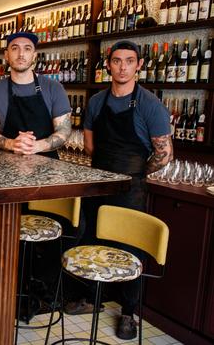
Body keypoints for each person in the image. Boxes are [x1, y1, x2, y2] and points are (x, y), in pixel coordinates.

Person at [68, 40, 173, 340]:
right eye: (117, 60)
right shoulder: (98, 102)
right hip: (98, 184)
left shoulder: (150, 105)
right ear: (108, 65)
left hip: (130, 189)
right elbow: (89, 145)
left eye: (129, 60)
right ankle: (89, 298)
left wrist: (136, 174)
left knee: (130, 249)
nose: (123, 66)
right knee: (88, 237)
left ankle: (128, 313)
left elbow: (165, 155)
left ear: (139, 65)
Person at [0, 32, 72, 158]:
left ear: (34, 56)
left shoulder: (55, 88)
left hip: (48, 168)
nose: (21, 54)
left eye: (27, 48)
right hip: (5, 167)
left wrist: (36, 146)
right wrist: (12, 144)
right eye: (15, 48)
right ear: (6, 55)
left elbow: (64, 131)